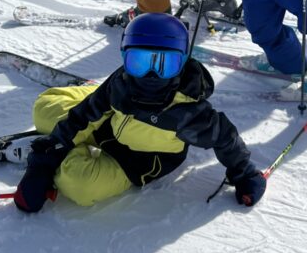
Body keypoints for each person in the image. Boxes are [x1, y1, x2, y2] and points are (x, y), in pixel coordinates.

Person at [13, 13, 266, 212]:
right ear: (125, 58)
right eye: (140, 63)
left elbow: (225, 137)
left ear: (182, 63)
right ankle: (76, 121)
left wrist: (244, 174)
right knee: (43, 109)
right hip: (109, 125)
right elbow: (86, 113)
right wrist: (50, 153)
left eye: (164, 65)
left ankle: (69, 155)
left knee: (79, 186)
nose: (151, 76)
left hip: (136, 162)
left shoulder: (187, 112)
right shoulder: (123, 81)